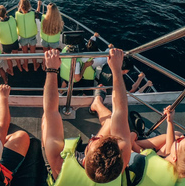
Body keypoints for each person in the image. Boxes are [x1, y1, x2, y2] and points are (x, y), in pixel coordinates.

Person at [42, 48, 131, 185]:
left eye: (95, 139)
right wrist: (117, 71)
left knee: (45, 121)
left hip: (61, 168)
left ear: (85, 155)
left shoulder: (59, 166)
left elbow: (51, 111)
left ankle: (97, 103)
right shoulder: (120, 162)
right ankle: (97, 103)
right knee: (110, 122)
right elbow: (120, 111)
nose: (96, 136)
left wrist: (52, 70)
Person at [128, 106, 185, 186]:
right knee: (177, 134)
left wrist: (133, 134)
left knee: (128, 139)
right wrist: (170, 122)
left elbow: (130, 149)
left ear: (175, 157)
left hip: (136, 169)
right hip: (157, 165)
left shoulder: (151, 160)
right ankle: (138, 139)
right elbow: (169, 151)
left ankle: (138, 137)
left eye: (179, 141)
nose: (180, 138)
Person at [0, 5, 23, 75]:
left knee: (8, 59)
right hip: (15, 42)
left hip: (6, 44)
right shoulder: (12, 19)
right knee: (16, 55)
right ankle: (20, 68)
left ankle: (12, 72)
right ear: (6, 12)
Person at [15, 0, 41, 71]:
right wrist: (39, 5)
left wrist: (20, 7)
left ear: (20, 6)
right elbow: (37, 12)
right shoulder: (32, 14)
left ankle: (26, 67)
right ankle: (35, 66)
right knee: (33, 53)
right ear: (29, 6)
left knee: (25, 54)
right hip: (32, 37)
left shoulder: (17, 14)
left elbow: (18, 12)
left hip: (23, 37)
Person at [38, 2, 64, 70]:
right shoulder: (59, 21)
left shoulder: (43, 17)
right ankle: (50, 68)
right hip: (54, 41)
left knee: (45, 53)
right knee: (52, 55)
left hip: (44, 39)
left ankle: (44, 65)